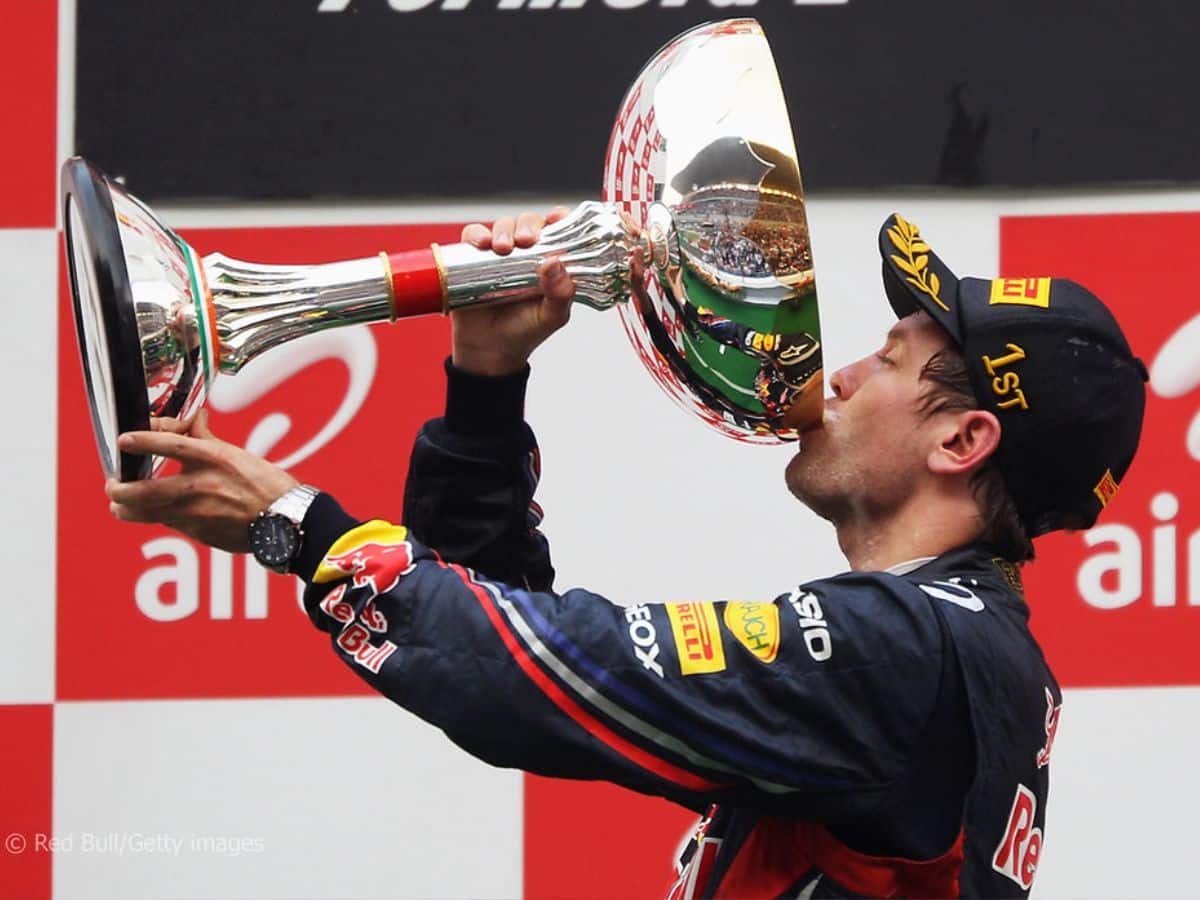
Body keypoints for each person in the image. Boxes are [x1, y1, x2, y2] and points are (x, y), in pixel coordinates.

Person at [106, 210, 1147, 898]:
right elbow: (521, 645)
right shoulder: (951, 647)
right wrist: (485, 383)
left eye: (887, 360)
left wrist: (293, 523)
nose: (836, 378)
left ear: (961, 442)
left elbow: (525, 676)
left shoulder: (907, 652)